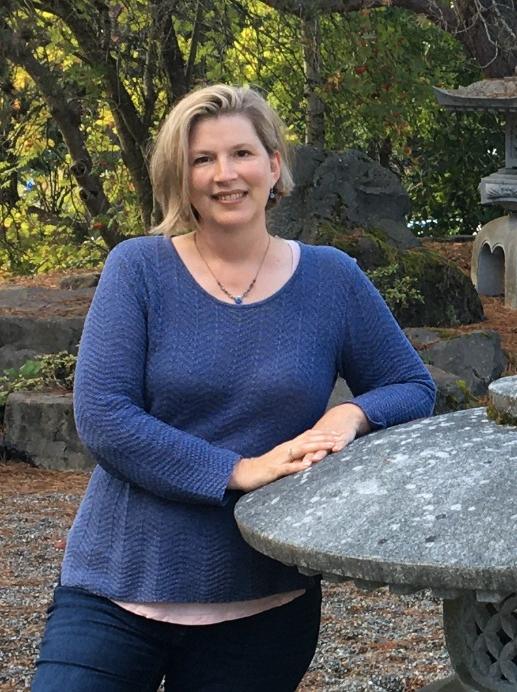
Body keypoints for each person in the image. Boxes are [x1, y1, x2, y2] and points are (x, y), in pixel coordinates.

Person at [32, 84, 435, 692]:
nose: (226, 174)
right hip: (117, 587)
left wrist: (349, 416)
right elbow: (103, 417)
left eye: (242, 154)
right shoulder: (138, 269)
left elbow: (410, 385)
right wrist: (236, 469)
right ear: (181, 176)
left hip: (263, 600)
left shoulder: (332, 279)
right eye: (203, 159)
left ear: (274, 165)